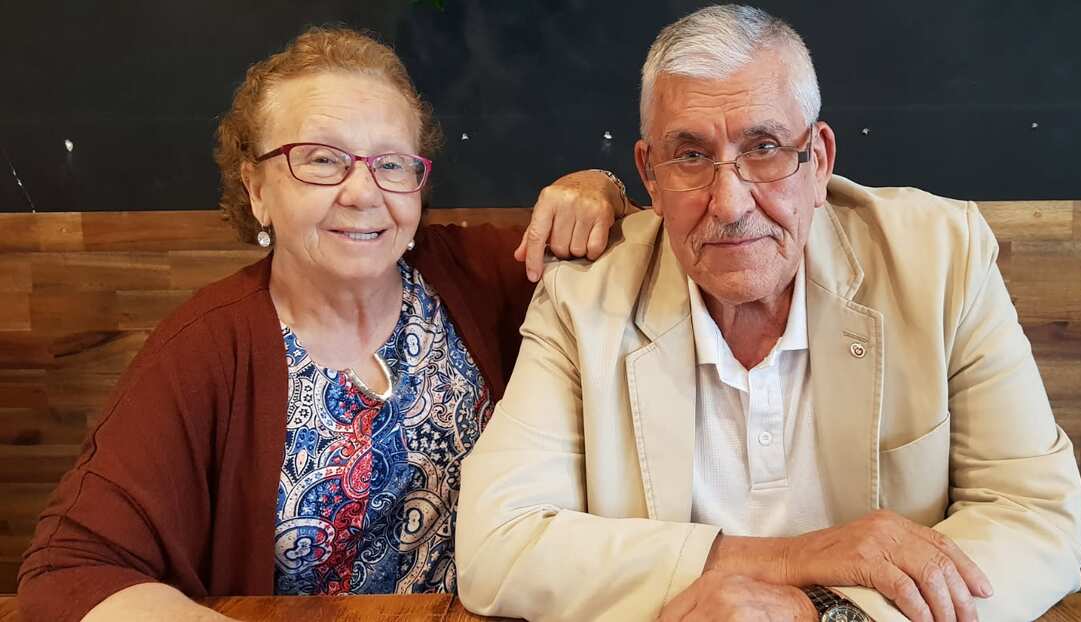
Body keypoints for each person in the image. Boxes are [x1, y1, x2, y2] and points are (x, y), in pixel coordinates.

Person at [456, 5, 1081, 622]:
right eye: (692, 156)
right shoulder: (583, 297)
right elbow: (498, 545)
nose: (730, 204)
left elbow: (1034, 516)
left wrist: (828, 615)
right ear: (650, 173)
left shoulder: (941, 259)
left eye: (764, 148)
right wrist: (793, 561)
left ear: (820, 160)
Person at [17, 26, 627, 622]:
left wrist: (600, 188)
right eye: (322, 160)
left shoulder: (484, 275)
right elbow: (71, 570)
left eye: (391, 164)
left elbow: (656, 253)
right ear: (255, 188)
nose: (363, 192)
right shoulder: (207, 347)